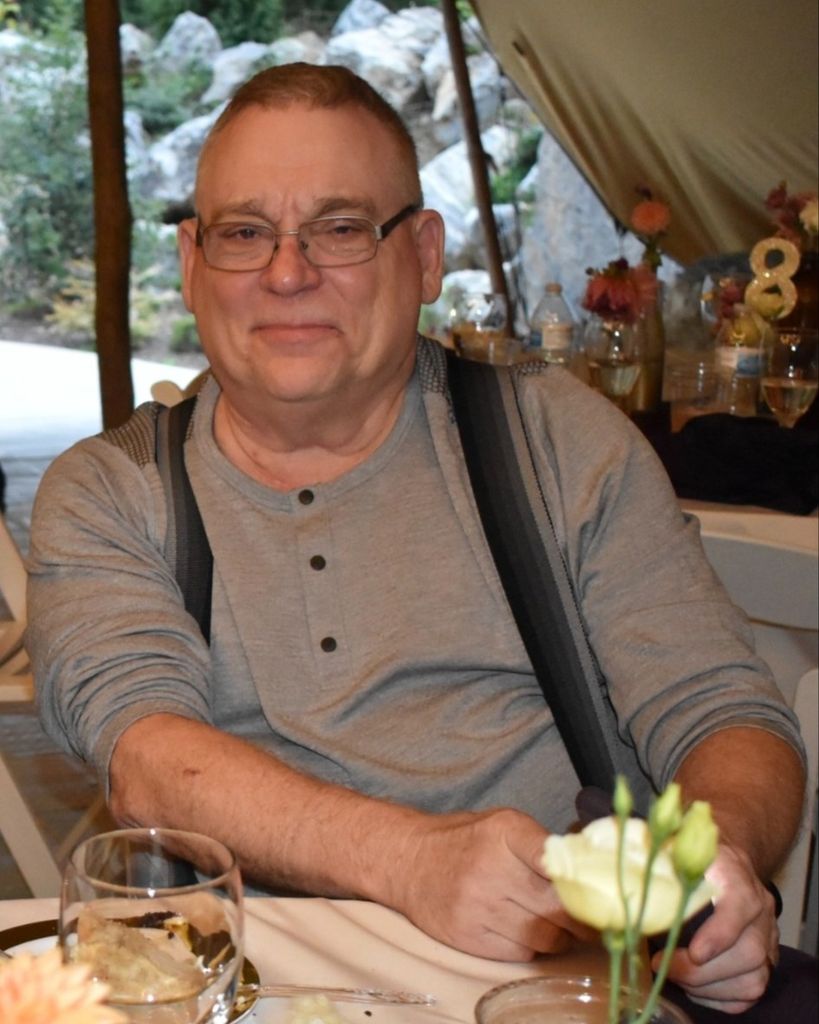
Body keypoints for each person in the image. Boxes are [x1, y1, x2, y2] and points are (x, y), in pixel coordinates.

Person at [28, 63, 805, 1016]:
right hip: (249, 991)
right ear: (193, 263)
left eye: (341, 228)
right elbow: (147, 758)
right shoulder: (111, 489)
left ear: (425, 256)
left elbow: (721, 708)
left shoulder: (558, 442)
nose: (286, 273)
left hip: (563, 986)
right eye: (244, 233)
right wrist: (411, 861)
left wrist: (715, 865)